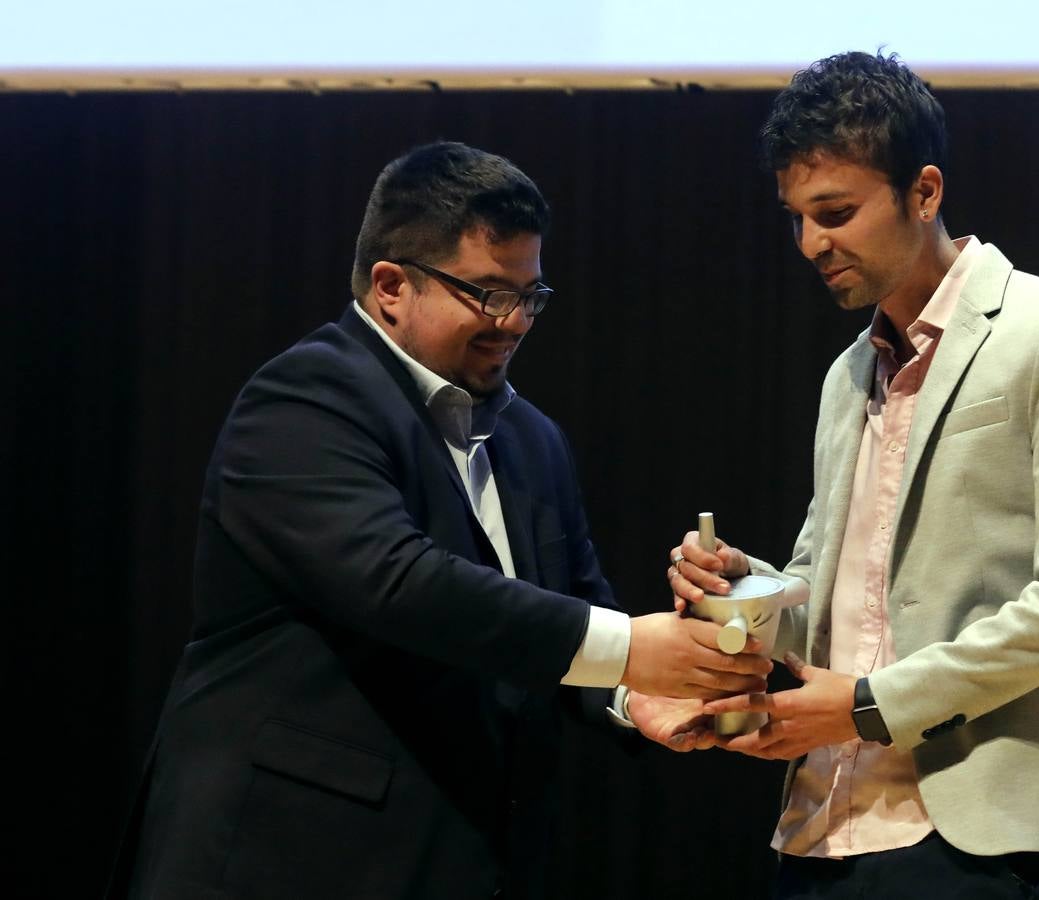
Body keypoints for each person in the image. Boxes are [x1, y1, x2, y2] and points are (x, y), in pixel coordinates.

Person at [107, 141, 771, 900]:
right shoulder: (305, 399)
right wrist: (630, 650)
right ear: (391, 286)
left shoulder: (534, 439)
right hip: (289, 861)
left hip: (467, 864)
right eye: (488, 294)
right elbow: (399, 583)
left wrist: (636, 695)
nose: (515, 321)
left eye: (531, 295)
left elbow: (571, 617)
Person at [642, 52, 1039, 899]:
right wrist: (747, 587)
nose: (810, 243)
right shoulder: (846, 375)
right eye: (795, 217)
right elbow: (829, 597)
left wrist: (871, 703)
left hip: (983, 833)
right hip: (823, 827)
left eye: (834, 212)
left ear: (926, 191)